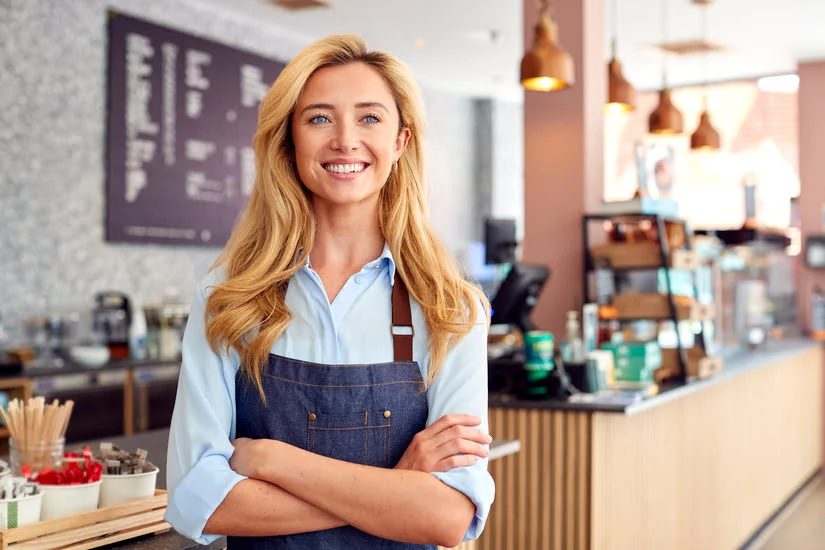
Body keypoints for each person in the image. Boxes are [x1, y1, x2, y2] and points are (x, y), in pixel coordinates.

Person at [165, 34, 495, 549]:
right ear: (289, 140)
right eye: (319, 118)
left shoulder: (451, 309)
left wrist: (274, 462)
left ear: (400, 142)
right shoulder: (227, 299)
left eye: (369, 118)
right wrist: (397, 489)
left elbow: (448, 516)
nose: (345, 140)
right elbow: (195, 500)